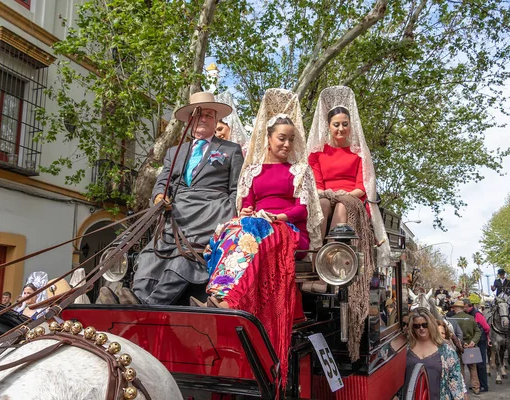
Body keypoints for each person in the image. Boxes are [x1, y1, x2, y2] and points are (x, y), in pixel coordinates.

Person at [193, 88, 323, 389]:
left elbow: (303, 208)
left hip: (289, 231)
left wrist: (279, 217)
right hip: (259, 224)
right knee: (229, 229)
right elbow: (247, 202)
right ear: (269, 138)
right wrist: (250, 209)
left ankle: (229, 300)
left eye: (291, 139)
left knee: (253, 229)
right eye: (282, 138)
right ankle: (219, 295)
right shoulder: (251, 171)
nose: (287, 144)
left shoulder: (300, 171)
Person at [125, 92, 244, 305]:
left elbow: (236, 189)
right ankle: (137, 298)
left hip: (209, 215)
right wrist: (159, 196)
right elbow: (163, 181)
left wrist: (228, 217)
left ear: (215, 119)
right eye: (198, 115)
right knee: (150, 254)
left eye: (208, 115)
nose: (203, 119)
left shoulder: (230, 150)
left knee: (184, 258)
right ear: (190, 120)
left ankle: (150, 305)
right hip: (176, 216)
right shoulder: (174, 152)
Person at [307, 85, 390, 362]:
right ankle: (316, 256)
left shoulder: (358, 156)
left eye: (344, 124)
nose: (340, 129)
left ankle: (332, 264)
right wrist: (328, 193)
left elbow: (361, 188)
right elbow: (316, 185)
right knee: (323, 203)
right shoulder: (317, 155)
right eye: (336, 125)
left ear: (350, 126)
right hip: (325, 197)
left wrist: (341, 194)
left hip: (351, 200)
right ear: (328, 126)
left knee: (341, 204)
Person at [405, 308, 465, 400]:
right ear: (412, 328)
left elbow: (455, 382)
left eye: (425, 325)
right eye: (416, 326)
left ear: (431, 325)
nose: (421, 328)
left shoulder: (446, 350)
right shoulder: (406, 349)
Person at [449, 300, 481, 395]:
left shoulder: (452, 319)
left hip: (459, 347)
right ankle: (476, 387)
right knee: (473, 368)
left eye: (454, 307)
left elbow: (453, 334)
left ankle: (462, 389)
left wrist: (461, 343)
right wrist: (473, 342)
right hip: (471, 347)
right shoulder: (471, 318)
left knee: (460, 368)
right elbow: (478, 332)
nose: (453, 309)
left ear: (456, 308)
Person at [463, 298, 490, 393]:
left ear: (467, 306)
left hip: (481, 341)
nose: (463, 308)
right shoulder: (471, 314)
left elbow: (486, 327)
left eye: (464, 307)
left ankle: (484, 385)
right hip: (477, 341)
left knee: (481, 363)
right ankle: (479, 384)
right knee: (476, 363)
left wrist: (486, 337)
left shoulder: (477, 314)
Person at [215, 92, 250, 156]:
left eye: (220, 129)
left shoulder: (247, 149)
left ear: (230, 126)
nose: (217, 134)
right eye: (214, 132)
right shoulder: (216, 153)